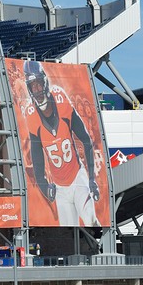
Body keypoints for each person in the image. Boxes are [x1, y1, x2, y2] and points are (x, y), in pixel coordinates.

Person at [21, 60, 100, 227]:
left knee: (91, 221)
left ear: (45, 82)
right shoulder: (32, 116)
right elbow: (37, 162)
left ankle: (103, 251)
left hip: (78, 178)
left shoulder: (61, 101)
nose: (37, 89)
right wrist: (44, 186)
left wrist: (91, 178)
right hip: (60, 189)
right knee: (68, 234)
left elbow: (85, 139)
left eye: (39, 83)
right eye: (32, 86)